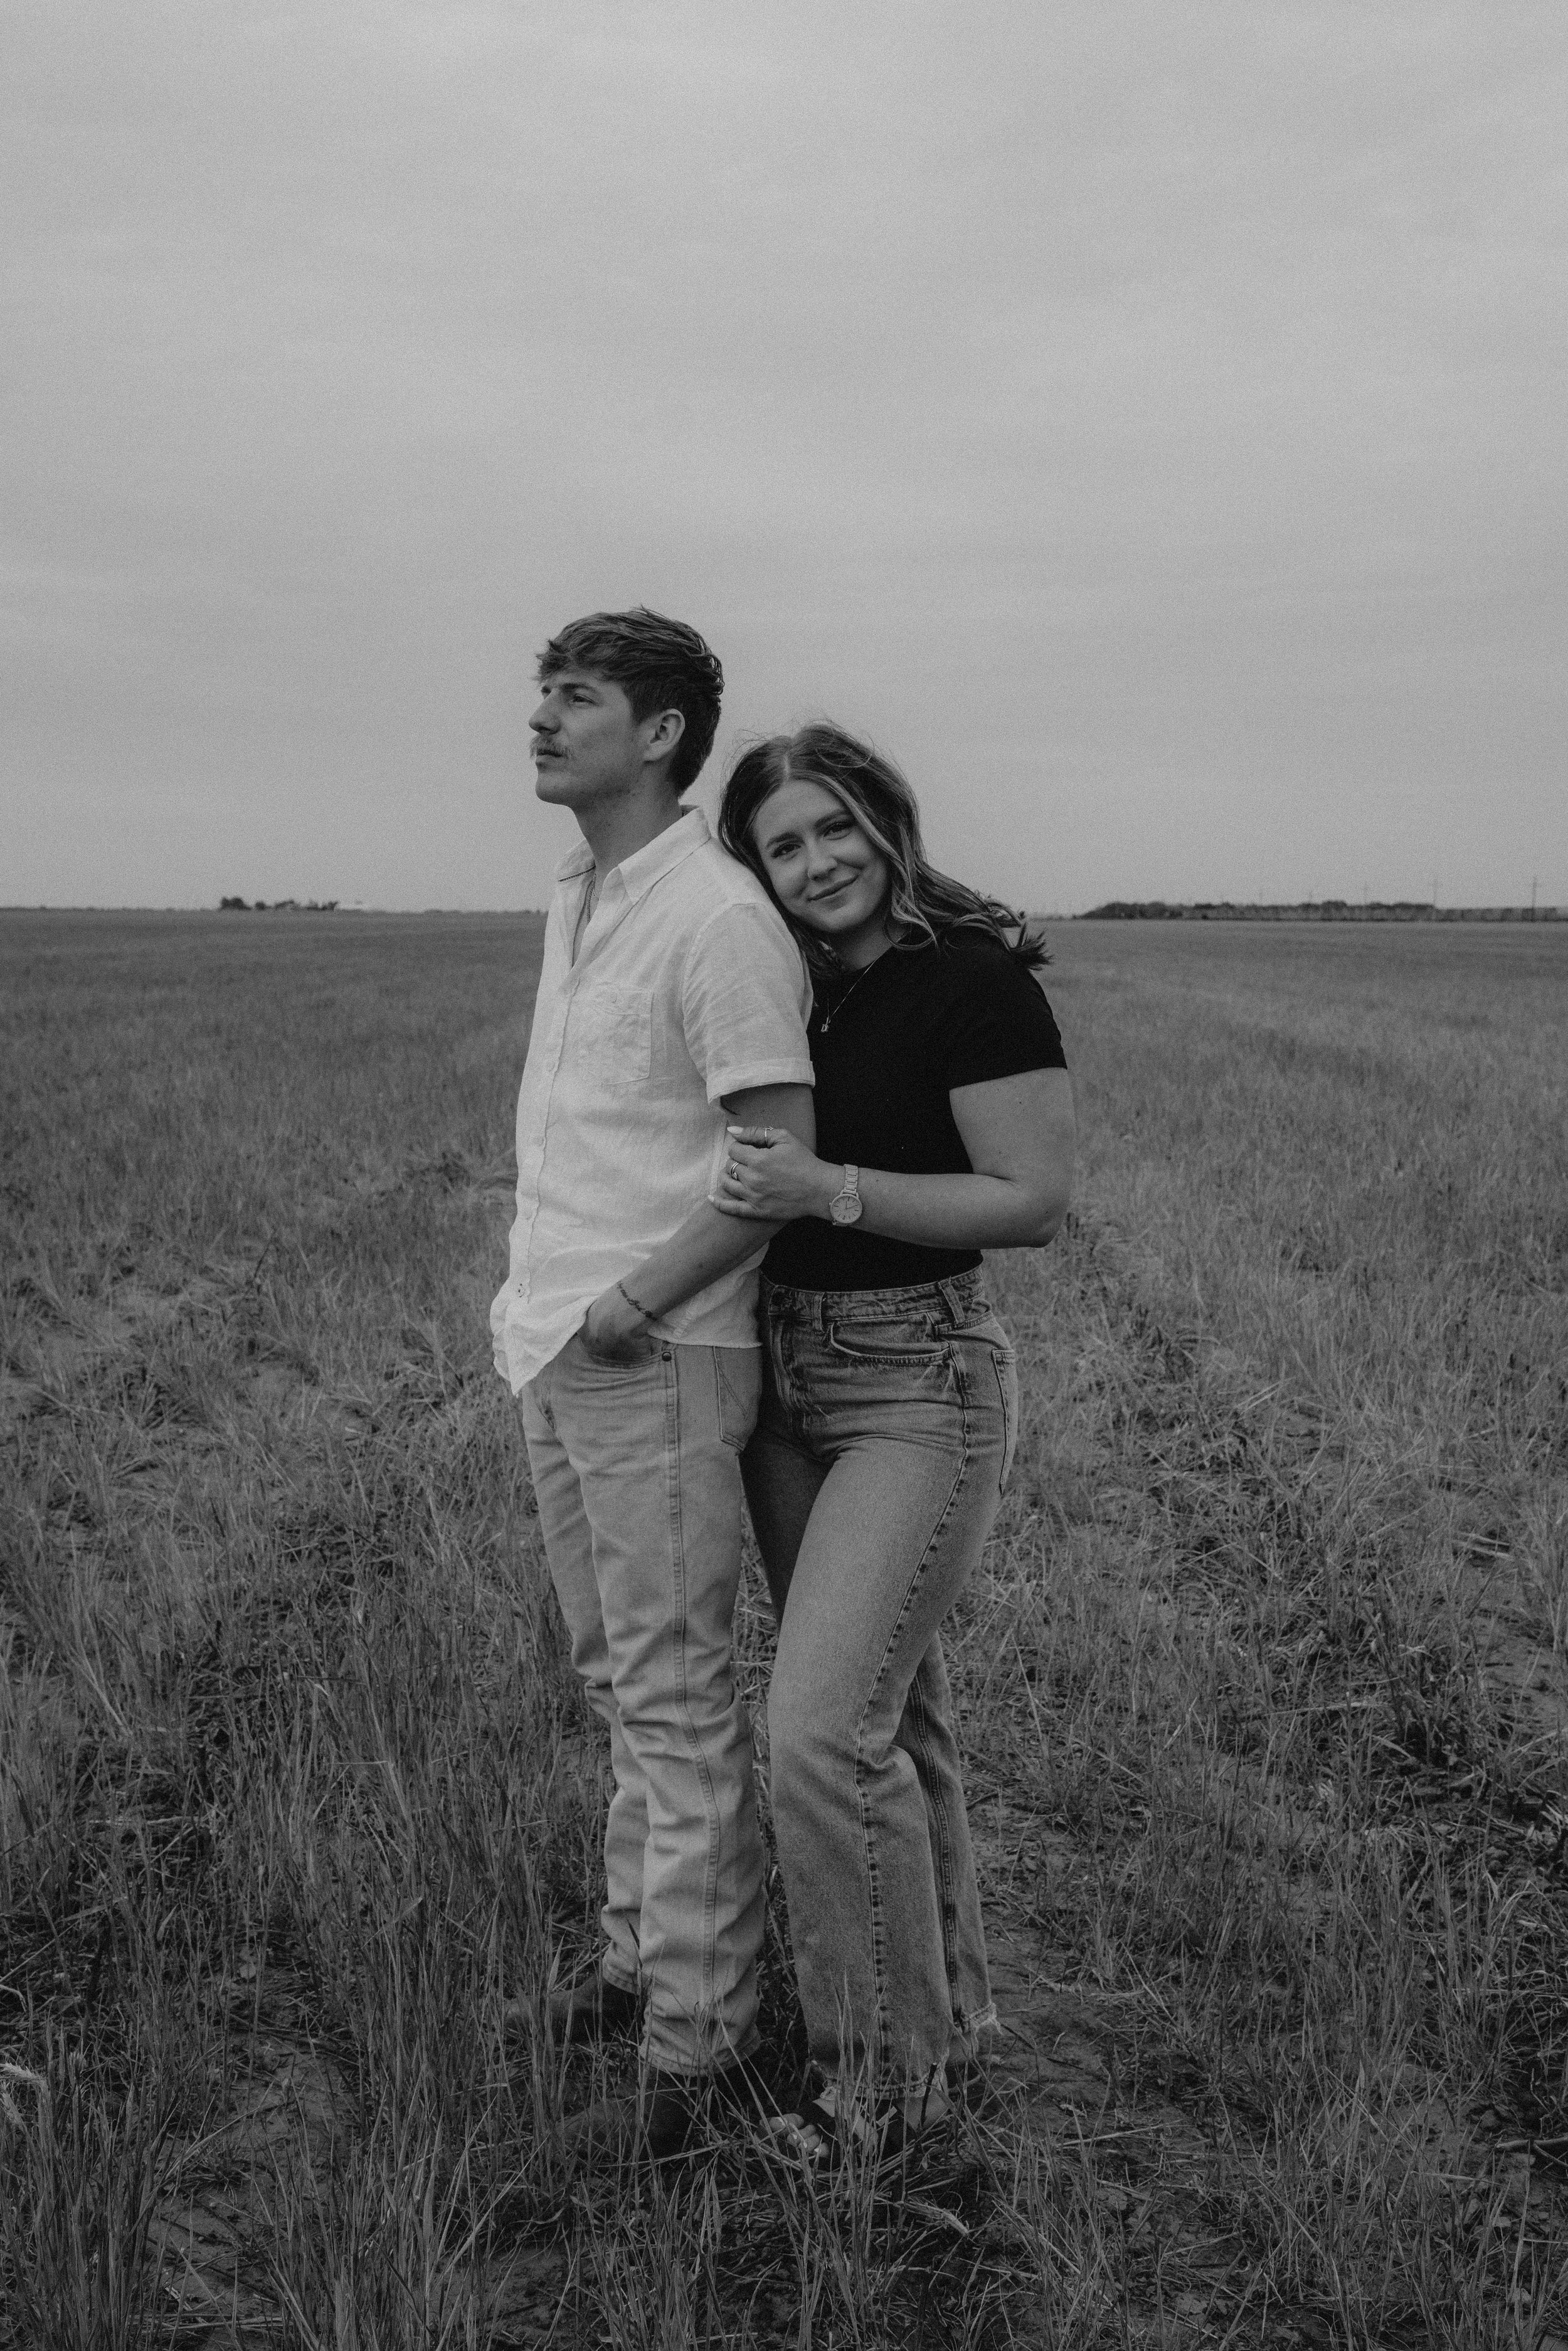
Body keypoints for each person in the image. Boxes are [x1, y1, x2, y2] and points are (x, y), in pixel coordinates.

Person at [712, 721, 1075, 2158]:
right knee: (890, 1714)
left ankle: (873, 2087)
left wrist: (828, 1187)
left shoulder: (969, 981)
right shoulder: (788, 991)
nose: (815, 863)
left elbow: (1028, 1198)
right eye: (781, 845)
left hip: (916, 1379)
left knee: (816, 1729)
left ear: (884, 821)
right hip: (782, 1379)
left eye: (832, 828)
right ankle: (950, 2018)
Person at [490, 610, 815, 2158]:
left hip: (656, 1349)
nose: (542, 718)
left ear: (662, 731)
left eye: (576, 696)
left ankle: (696, 2050)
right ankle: (637, 1969)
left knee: (675, 1700)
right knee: (615, 1679)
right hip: (555, 1339)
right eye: (542, 692)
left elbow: (774, 1159)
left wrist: (632, 1301)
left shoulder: (717, 915)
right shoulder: (581, 889)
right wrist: (561, 1314)